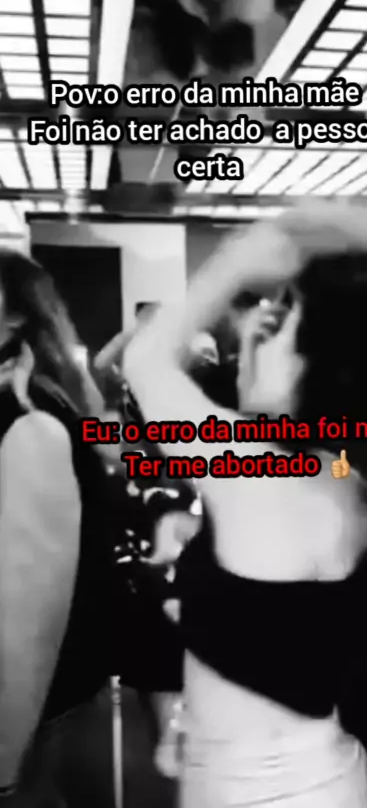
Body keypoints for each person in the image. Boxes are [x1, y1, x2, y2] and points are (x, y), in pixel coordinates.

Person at [124, 225, 367, 808]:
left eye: (285, 330)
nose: (264, 337)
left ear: (316, 371)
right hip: (321, 778)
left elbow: (144, 361)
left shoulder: (260, 479)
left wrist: (232, 265)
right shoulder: (351, 485)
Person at [0, 250, 113, 806]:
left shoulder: (30, 420)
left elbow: (29, 621)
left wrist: (3, 761)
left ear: (16, 317)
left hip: (25, 712)